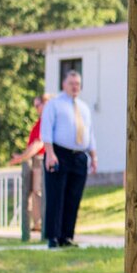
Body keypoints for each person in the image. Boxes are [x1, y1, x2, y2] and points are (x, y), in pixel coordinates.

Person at [39, 70, 95, 248]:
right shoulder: (54, 104)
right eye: (71, 83)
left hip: (79, 156)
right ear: (64, 84)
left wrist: (94, 156)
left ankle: (67, 236)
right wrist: (50, 153)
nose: (75, 87)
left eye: (78, 83)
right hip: (59, 154)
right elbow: (46, 130)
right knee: (56, 196)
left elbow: (89, 133)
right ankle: (53, 237)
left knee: (73, 197)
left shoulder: (84, 107)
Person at [8, 92, 50, 240]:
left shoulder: (46, 121)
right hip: (34, 161)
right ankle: (36, 224)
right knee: (33, 194)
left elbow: (38, 144)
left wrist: (21, 157)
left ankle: (41, 225)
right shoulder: (40, 122)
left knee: (38, 192)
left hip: (39, 161)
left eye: (38, 105)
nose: (36, 109)